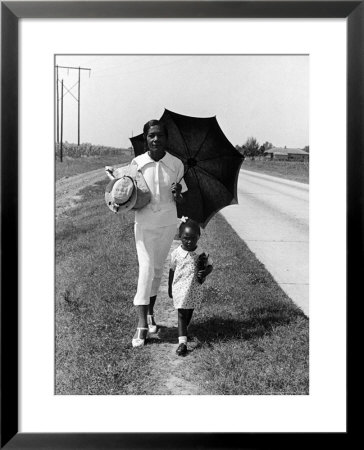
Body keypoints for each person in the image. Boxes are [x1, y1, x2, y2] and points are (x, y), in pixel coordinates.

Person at [130, 120, 188, 348]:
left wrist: (178, 193)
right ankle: (141, 325)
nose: (156, 140)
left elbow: (182, 197)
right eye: (151, 135)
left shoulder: (175, 164)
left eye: (160, 135)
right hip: (144, 223)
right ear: (146, 138)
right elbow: (131, 195)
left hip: (166, 223)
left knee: (156, 269)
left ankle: (151, 314)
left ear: (166, 138)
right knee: (145, 268)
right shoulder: (137, 163)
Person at [168, 218, 213, 356]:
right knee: (181, 313)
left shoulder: (201, 253)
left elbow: (210, 265)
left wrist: (205, 271)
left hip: (194, 288)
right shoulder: (176, 253)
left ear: (198, 237)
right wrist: (170, 287)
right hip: (180, 287)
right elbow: (172, 270)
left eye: (193, 238)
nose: (189, 241)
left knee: (189, 311)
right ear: (180, 237)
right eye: (185, 238)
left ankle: (184, 330)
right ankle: (182, 343)